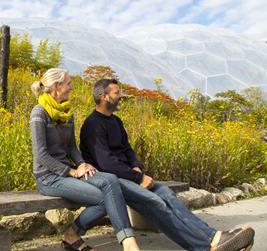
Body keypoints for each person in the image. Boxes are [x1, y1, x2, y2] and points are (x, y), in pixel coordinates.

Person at [80, 78, 255, 251]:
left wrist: (137, 166)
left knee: (166, 194)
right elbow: (106, 163)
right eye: (116, 93)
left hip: (128, 175)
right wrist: (138, 177)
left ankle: (214, 237)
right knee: (157, 203)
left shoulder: (115, 121)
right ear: (104, 96)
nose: (121, 96)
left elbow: (127, 149)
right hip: (112, 181)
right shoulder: (92, 125)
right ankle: (203, 247)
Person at [30, 68, 141, 251]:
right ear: (57, 86)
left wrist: (81, 163)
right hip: (48, 177)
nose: (71, 88)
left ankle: (74, 236)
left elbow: (72, 147)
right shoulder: (39, 113)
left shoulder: (67, 113)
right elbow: (41, 155)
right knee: (107, 198)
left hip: (69, 172)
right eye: (68, 84)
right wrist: (72, 171)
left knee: (110, 181)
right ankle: (124, 243)